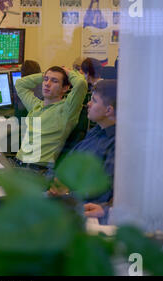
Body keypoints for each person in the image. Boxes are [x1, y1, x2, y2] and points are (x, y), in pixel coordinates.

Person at [48, 79, 117, 223]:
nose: (88, 104)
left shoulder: (116, 145)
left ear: (109, 110)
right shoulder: (95, 131)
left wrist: (66, 193)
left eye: (94, 100)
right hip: (61, 198)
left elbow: (100, 193)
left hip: (80, 210)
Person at [13, 65, 88, 170]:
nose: (47, 84)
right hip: (18, 165)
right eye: (46, 80)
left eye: (54, 81)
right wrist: (44, 74)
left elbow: (81, 84)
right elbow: (20, 84)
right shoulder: (36, 106)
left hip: (37, 171)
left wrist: (67, 71)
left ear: (65, 88)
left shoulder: (67, 109)